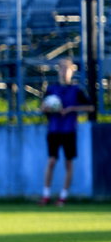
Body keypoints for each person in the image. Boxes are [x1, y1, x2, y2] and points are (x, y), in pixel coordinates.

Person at [38, 57, 94, 207]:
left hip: (69, 130)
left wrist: (72, 109)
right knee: (51, 161)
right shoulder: (51, 90)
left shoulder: (76, 89)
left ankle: (63, 196)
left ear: (71, 71)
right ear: (58, 71)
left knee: (68, 163)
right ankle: (46, 195)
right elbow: (42, 107)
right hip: (54, 130)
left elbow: (90, 107)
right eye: (61, 69)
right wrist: (49, 108)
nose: (64, 72)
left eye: (67, 69)